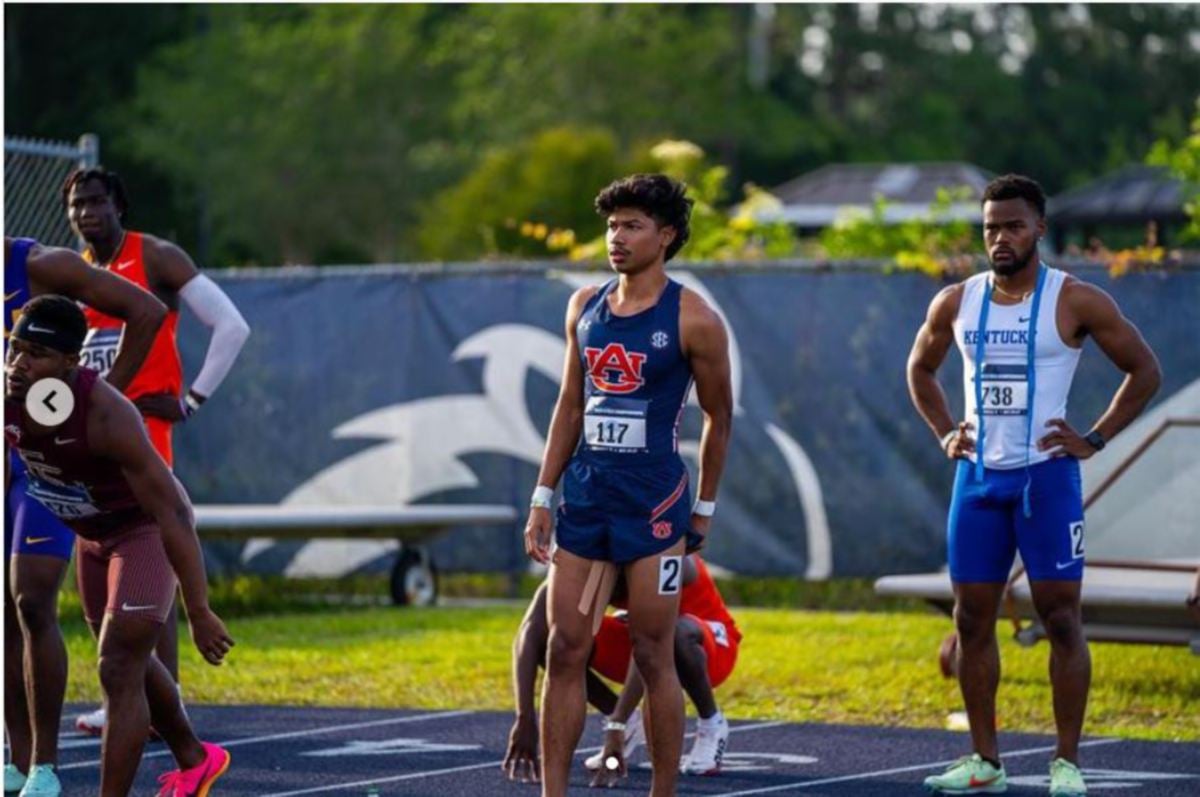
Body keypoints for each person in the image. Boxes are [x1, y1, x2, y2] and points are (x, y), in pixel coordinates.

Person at [907, 174, 1161, 795]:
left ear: (1039, 228)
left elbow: (1144, 370)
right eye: (991, 226)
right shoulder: (956, 301)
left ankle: (1066, 762)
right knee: (972, 621)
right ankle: (984, 760)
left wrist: (1094, 438)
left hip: (1046, 482)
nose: (1000, 237)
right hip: (978, 481)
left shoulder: (1075, 300)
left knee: (1062, 620)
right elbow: (921, 368)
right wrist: (945, 432)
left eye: (1013, 225)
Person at [524, 173, 733, 797]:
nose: (617, 237)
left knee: (652, 650)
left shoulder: (695, 318)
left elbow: (721, 417)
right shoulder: (584, 305)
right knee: (566, 648)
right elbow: (569, 403)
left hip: (655, 505)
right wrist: (543, 495)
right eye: (612, 225)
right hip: (588, 499)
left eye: (633, 225)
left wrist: (704, 510)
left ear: (666, 236)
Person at [5, 295, 234, 796]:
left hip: (143, 530)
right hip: (92, 536)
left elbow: (172, 511)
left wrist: (198, 610)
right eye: (14, 349)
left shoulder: (107, 415)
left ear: (70, 363)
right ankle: (196, 759)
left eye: (34, 355)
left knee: (116, 664)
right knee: (129, 655)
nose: (18, 365)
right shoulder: (9, 393)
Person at [62, 167, 251, 736]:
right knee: (100, 561)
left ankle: (159, 702)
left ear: (118, 205)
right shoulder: (73, 271)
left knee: (148, 559)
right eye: (77, 205)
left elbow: (232, 326)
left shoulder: (156, 257)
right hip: (87, 437)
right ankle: (129, 696)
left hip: (143, 430)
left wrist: (192, 399)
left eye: (97, 202)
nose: (87, 213)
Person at [4, 236, 166, 797]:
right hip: (8, 443)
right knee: (8, 611)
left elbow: (147, 311)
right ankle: (17, 763)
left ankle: (46, 769)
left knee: (30, 600)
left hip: (47, 463)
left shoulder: (40, 266)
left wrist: (96, 403)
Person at [503, 555, 740, 785]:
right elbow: (529, 633)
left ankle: (711, 722)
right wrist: (524, 717)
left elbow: (652, 646)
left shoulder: (667, 561)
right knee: (560, 640)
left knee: (673, 634)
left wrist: (617, 724)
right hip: (644, 634)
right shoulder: (581, 555)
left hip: (708, 645)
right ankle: (630, 722)